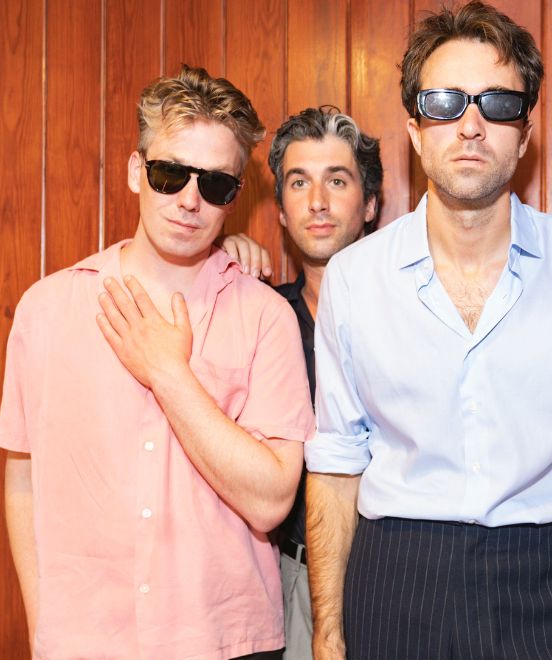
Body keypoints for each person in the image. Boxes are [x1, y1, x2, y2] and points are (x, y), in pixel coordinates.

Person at [304, 3, 552, 659]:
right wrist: (327, 634)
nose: (470, 125)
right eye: (444, 102)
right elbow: (337, 464)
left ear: (524, 134)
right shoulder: (354, 277)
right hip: (395, 580)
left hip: (547, 581)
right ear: (414, 131)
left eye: (497, 103)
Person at [0, 65, 315, 659]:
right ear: (134, 172)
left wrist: (168, 373)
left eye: (215, 184)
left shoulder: (266, 317)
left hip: (227, 641)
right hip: (84, 642)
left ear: (235, 197)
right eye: (169, 174)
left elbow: (271, 498)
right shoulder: (47, 309)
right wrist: (44, 628)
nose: (190, 201)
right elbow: (23, 479)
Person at [223, 105, 382, 660]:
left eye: (337, 180)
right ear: (282, 213)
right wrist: (215, 258)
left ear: (369, 204)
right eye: (298, 182)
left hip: (398, 572)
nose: (317, 201)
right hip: (295, 573)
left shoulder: (412, 316)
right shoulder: (258, 315)